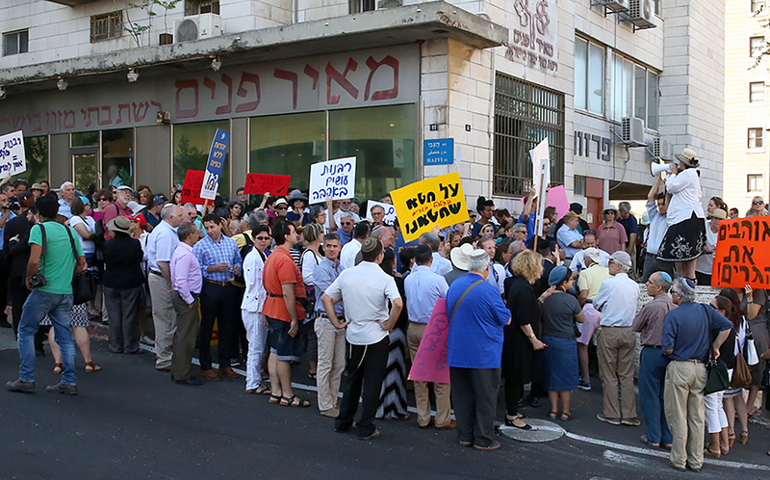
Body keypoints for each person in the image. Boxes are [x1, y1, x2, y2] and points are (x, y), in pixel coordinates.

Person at [323, 238, 403, 440]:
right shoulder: (384, 278)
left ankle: (343, 421)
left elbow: (326, 298)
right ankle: (365, 425)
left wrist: (337, 322)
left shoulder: (347, 274)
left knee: (352, 379)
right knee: (372, 382)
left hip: (354, 332)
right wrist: (389, 324)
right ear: (380, 255)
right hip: (375, 334)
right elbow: (398, 303)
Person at [6, 195, 86, 395]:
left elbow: (34, 261)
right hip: (65, 290)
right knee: (65, 336)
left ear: (39, 213)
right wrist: (68, 275)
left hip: (44, 289)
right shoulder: (69, 231)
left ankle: (26, 377)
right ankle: (69, 381)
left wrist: (29, 279)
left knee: (25, 330)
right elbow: (81, 263)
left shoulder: (39, 229)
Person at [662, 278, 732, 473]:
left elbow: (667, 348)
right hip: (700, 368)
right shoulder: (705, 310)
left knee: (678, 414)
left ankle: (679, 458)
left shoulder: (673, 316)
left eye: (673, 291)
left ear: (678, 294)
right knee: (697, 415)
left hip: (680, 366)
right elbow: (727, 326)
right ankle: (696, 459)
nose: (671, 295)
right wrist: (714, 348)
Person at [446, 249, 511, 450]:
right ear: (486, 267)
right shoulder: (488, 290)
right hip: (483, 354)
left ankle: (465, 436)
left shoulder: (455, 285)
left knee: (462, 396)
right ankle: (483, 438)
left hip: (457, 350)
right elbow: (506, 318)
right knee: (485, 398)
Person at [404, 245, 453, 429]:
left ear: (414, 260)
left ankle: (423, 417)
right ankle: (442, 419)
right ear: (431, 260)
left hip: (413, 327)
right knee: (440, 375)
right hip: (433, 329)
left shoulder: (409, 279)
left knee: (419, 375)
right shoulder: (437, 280)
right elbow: (448, 301)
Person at [263, 221, 310, 407]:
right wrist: (293, 319)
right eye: (293, 232)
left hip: (272, 307)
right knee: (283, 355)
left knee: (274, 351)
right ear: (285, 236)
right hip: (282, 310)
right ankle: (288, 394)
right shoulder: (284, 259)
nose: (297, 235)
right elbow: (288, 291)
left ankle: (276, 391)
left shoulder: (274, 255)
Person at [593, 251, 640, 426]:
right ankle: (629, 414)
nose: (609, 265)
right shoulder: (634, 285)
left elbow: (597, 304)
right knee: (626, 374)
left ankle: (612, 413)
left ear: (619, 265)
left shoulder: (608, 283)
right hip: (628, 330)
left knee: (609, 373)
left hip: (610, 330)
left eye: (611, 262)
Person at [194, 213, 243, 381]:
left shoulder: (230, 243)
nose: (209, 231)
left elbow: (238, 260)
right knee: (207, 327)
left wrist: (237, 268)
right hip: (211, 287)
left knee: (227, 327)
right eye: (206, 228)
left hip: (228, 287)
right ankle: (205, 366)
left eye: (212, 227)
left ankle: (225, 364)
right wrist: (211, 268)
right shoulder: (200, 246)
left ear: (220, 225)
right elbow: (195, 268)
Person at [502, 250, 545, 430]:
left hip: (513, 338)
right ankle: (512, 415)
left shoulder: (514, 284)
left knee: (515, 378)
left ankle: (513, 411)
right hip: (520, 341)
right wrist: (534, 339)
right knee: (515, 378)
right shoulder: (524, 289)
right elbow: (523, 319)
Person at [632, 271, 675, 449]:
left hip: (652, 352)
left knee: (650, 395)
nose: (646, 285)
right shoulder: (675, 306)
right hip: (671, 355)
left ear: (658, 287)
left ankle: (654, 436)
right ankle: (668, 437)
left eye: (649, 283)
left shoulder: (651, 307)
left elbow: (635, 326)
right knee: (667, 396)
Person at [540, 266, 584, 421]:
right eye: (571, 279)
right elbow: (581, 319)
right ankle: (565, 411)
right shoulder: (571, 300)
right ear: (563, 282)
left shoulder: (546, 298)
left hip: (548, 339)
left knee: (552, 375)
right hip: (566, 341)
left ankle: (553, 410)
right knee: (566, 377)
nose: (573, 281)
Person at [145, 204, 184, 371]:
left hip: (161, 277)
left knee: (167, 318)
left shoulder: (166, 231)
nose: (182, 218)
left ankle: (166, 355)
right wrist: (171, 282)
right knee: (165, 319)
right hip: (162, 278)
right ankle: (164, 359)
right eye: (180, 215)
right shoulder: (166, 234)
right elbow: (162, 262)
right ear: (171, 217)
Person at [657, 148, 706, 280]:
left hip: (687, 217)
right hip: (689, 217)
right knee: (684, 255)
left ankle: (687, 281)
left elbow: (672, 187)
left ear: (683, 163)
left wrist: (672, 174)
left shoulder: (688, 173)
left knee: (686, 254)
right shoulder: (691, 174)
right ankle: (684, 280)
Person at [313, 233, 346, 417]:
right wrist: (347, 290)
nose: (332, 249)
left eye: (335, 246)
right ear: (323, 247)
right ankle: (325, 404)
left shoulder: (342, 268)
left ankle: (333, 401)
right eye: (329, 246)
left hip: (340, 318)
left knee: (339, 364)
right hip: (325, 319)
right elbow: (330, 297)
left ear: (340, 248)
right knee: (325, 364)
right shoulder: (320, 269)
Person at [102, 216, 145, 355]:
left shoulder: (107, 245)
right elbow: (139, 258)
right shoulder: (134, 244)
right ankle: (130, 345)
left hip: (111, 282)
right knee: (129, 315)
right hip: (130, 282)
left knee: (114, 315)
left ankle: (115, 344)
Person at [703, 295, 737, 458]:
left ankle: (715, 446)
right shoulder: (732, 325)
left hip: (716, 369)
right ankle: (724, 443)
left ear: (721, 311)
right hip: (726, 369)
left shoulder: (719, 327)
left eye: (712, 306)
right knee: (717, 406)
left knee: (710, 407)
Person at [240, 225, 272, 394]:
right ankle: (252, 382)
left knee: (258, 346)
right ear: (253, 239)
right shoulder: (252, 258)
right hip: (254, 307)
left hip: (259, 306)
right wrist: (264, 311)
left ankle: (255, 379)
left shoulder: (264, 255)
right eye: (260, 238)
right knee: (255, 346)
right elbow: (255, 287)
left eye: (267, 238)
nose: (264, 241)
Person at [575, 248, 611, 391]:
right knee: (604, 348)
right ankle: (606, 380)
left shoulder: (585, 273)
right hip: (605, 310)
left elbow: (583, 295)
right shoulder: (609, 272)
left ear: (587, 260)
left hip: (590, 309)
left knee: (583, 345)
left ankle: (586, 379)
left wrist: (577, 307)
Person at [300, 223, 323, 379]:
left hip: (318, 298)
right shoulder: (309, 254)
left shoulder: (316, 253)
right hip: (313, 300)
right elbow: (306, 277)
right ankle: (313, 368)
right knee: (313, 335)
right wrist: (322, 281)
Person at [642, 175, 674, 282]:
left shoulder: (671, 218)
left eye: (663, 204)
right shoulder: (654, 215)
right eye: (659, 204)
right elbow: (650, 197)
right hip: (650, 257)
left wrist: (667, 187)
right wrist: (659, 180)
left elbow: (669, 203)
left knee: (664, 285)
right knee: (646, 283)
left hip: (663, 259)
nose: (660, 206)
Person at [694, 208, 725, 286]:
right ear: (711, 218)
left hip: (715, 270)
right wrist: (703, 247)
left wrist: (715, 247)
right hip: (699, 267)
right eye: (715, 218)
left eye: (720, 219)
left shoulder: (727, 231)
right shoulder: (704, 226)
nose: (717, 221)